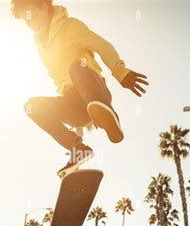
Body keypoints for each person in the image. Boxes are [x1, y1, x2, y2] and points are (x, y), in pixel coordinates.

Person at [11, 0, 149, 176]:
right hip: (74, 105)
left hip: (93, 88)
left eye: (33, 15)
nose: (31, 23)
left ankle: (107, 113)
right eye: (26, 20)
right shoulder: (39, 44)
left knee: (76, 67)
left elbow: (102, 46)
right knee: (32, 106)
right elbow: (58, 80)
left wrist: (120, 71)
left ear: (45, 7)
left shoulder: (70, 26)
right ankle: (78, 148)